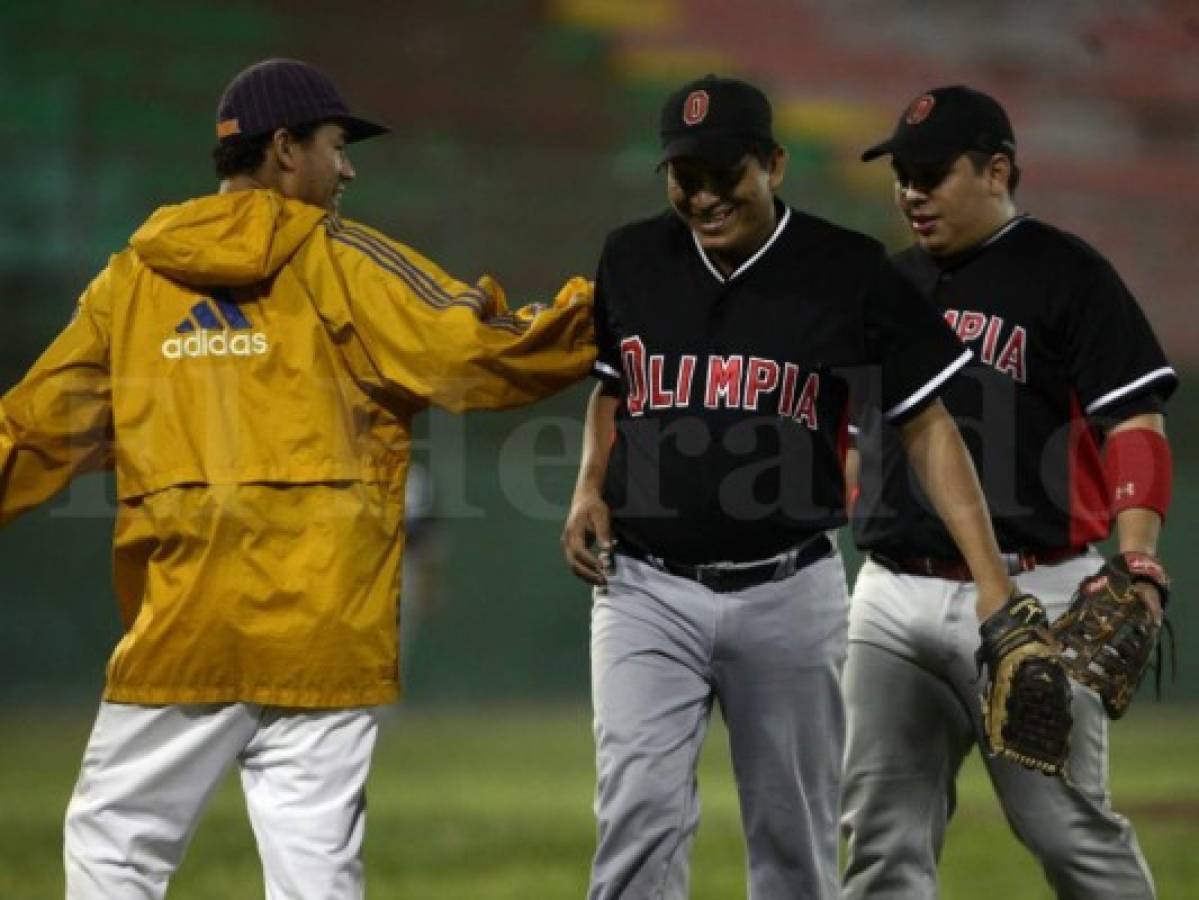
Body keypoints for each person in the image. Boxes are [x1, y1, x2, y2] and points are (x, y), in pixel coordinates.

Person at [0, 58, 593, 898]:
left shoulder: (130, 284)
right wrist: (610, 313)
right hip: (324, 624)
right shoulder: (345, 263)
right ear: (284, 149)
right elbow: (480, 353)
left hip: (186, 624)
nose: (347, 168)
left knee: (112, 852)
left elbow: (31, 432)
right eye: (336, 145)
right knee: (315, 874)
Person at [561, 74, 1026, 900]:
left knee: (792, 837)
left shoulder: (846, 269)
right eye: (684, 176)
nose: (703, 196)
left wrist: (991, 581)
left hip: (787, 590)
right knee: (635, 818)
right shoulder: (630, 256)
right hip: (642, 587)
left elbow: (927, 427)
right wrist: (587, 486)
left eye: (723, 173)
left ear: (772, 163)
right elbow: (612, 386)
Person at [842, 85, 1177, 899]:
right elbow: (857, 440)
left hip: (1038, 593)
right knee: (877, 839)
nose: (911, 193)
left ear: (996, 170)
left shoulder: (1067, 274)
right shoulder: (885, 284)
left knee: (1069, 836)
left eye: (931, 173)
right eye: (902, 176)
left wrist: (1135, 563)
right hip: (890, 595)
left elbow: (1133, 421)